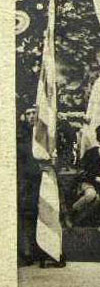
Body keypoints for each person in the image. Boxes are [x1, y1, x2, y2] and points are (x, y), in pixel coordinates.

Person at [17, 106, 41, 265]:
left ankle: (41, 250)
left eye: (34, 113)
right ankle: (27, 251)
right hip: (27, 180)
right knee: (27, 213)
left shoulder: (43, 132)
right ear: (23, 116)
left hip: (42, 177)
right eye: (28, 114)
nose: (32, 116)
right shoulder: (21, 134)